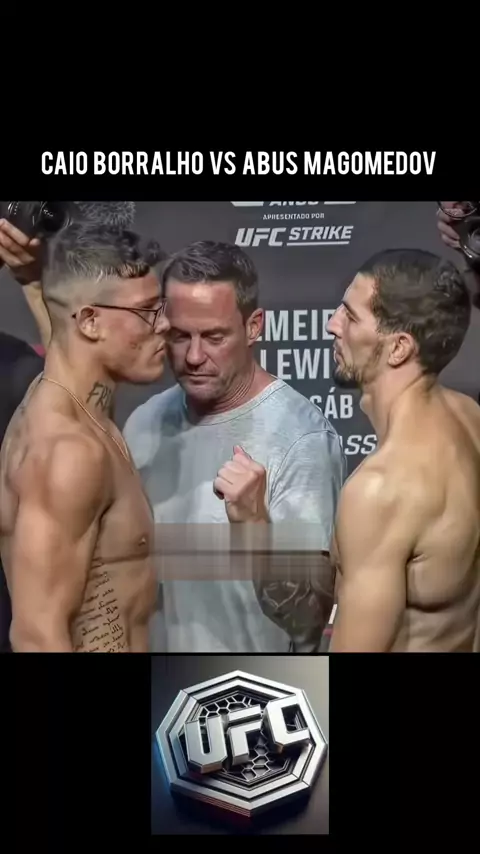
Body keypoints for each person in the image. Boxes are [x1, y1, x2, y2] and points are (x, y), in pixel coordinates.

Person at [123, 240, 346, 653]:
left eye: (214, 337)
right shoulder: (143, 424)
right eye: (179, 335)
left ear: (254, 327)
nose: (193, 356)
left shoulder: (300, 439)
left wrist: (254, 526)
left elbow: (309, 621)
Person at [0, 221, 170, 652]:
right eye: (148, 311)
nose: (165, 324)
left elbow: (64, 339)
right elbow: (37, 635)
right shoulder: (69, 453)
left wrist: (34, 282)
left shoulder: (83, 410)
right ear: (91, 322)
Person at [326, 248, 480, 652]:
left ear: (399, 348)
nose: (331, 325)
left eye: (350, 317)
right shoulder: (470, 418)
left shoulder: (381, 489)